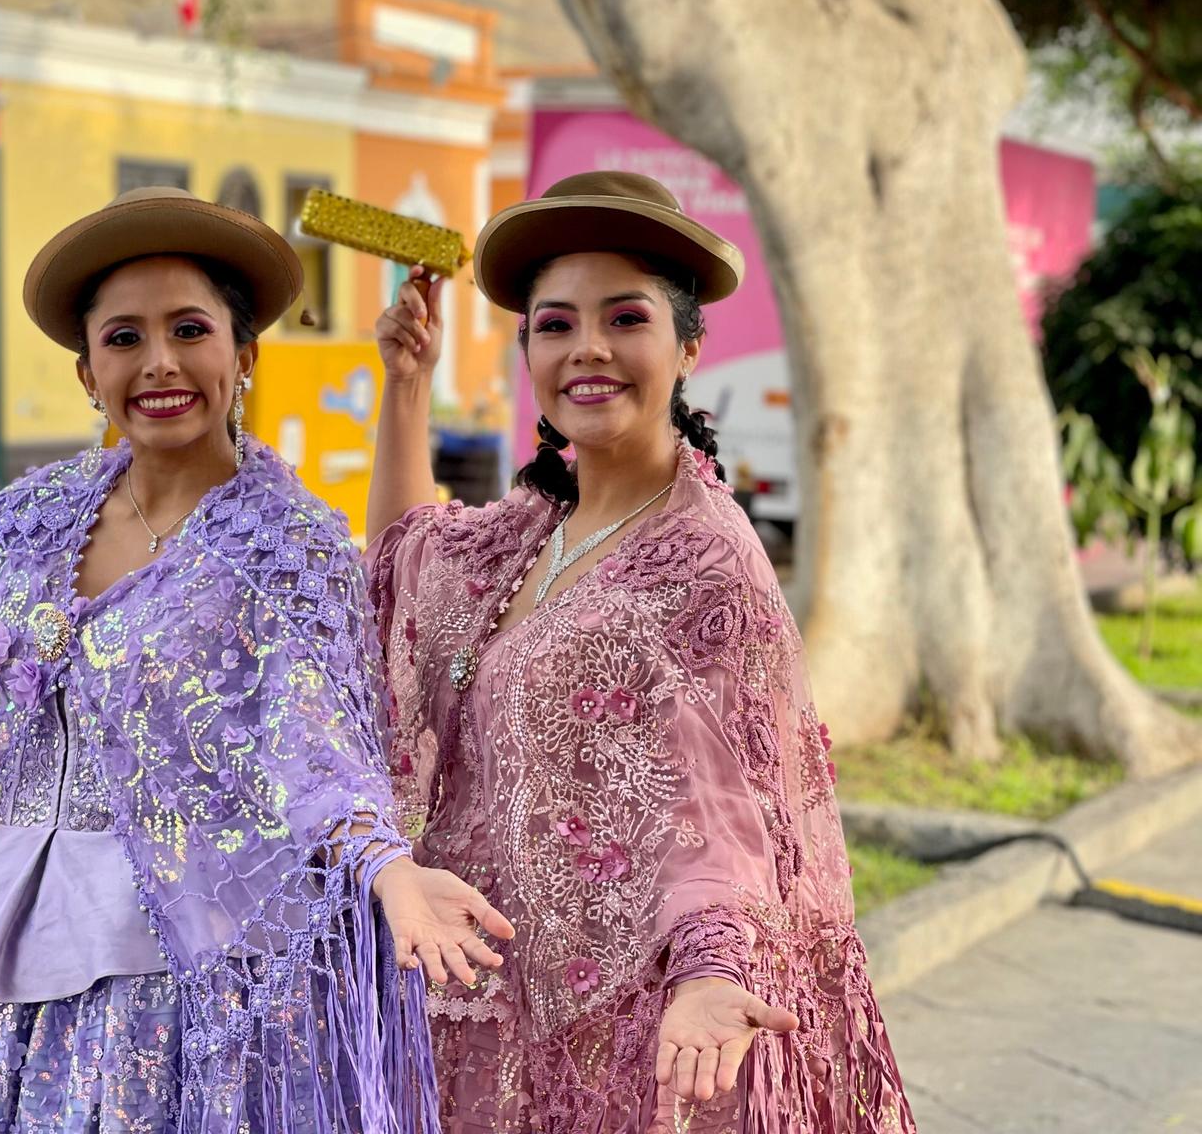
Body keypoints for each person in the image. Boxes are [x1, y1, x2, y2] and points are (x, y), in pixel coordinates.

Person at [0, 186, 513, 1134]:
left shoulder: (292, 546)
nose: (159, 363)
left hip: (180, 983)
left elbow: (322, 754)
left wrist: (390, 872)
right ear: (86, 375)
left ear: (245, 357)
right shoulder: (43, 515)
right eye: (123, 339)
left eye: (190, 330)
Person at [364, 172, 915, 1133]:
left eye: (625, 319)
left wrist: (712, 973)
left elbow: (728, 812)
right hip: (480, 1004)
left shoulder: (705, 561)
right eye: (555, 323)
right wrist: (407, 382)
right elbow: (406, 562)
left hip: (624, 1036)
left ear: (688, 347)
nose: (588, 349)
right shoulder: (530, 531)